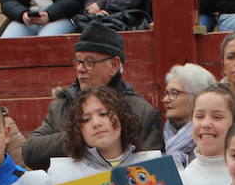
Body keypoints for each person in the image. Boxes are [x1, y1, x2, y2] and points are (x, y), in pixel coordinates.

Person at [22, 23, 163, 170]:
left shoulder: (141, 112)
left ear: (114, 65)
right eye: (78, 61)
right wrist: (79, 135)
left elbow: (152, 172)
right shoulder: (61, 105)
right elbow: (30, 152)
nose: (80, 69)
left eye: (90, 62)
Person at [161, 63, 214, 167]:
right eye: (166, 93)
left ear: (196, 97)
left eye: (174, 93)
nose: (166, 100)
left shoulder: (210, 136)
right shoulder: (160, 136)